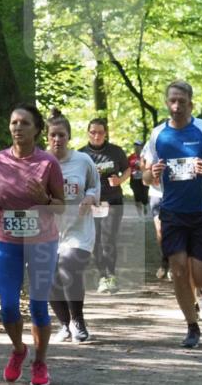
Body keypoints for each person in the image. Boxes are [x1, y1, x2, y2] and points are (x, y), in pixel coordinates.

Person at [142, 81, 202, 348]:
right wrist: (154, 173)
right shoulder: (157, 134)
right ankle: (191, 326)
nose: (176, 106)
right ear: (166, 102)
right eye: (172, 101)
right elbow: (146, 177)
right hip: (171, 211)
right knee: (179, 269)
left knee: (201, 271)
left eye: (181, 101)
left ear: (190, 104)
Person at [0, 104, 65, 385]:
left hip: (42, 241)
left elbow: (61, 207)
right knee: (7, 306)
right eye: (14, 122)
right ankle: (19, 349)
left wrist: (44, 199)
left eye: (25, 123)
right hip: (8, 241)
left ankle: (40, 363)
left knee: (39, 306)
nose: (18, 127)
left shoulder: (48, 163)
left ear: (37, 130)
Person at [46, 109, 100, 343]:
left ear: (69, 137)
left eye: (62, 135)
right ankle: (65, 325)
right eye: (53, 136)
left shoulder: (82, 160)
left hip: (79, 228)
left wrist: (90, 197)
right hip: (48, 230)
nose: (57, 140)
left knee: (69, 266)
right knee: (46, 277)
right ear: (47, 138)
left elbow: (95, 186)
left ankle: (78, 321)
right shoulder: (40, 162)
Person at [79, 118, 129, 294]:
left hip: (113, 201)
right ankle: (102, 276)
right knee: (95, 240)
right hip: (92, 203)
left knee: (109, 239)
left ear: (106, 133)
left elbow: (128, 169)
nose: (97, 135)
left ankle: (111, 276)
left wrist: (120, 180)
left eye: (100, 132)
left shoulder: (115, 151)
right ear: (88, 133)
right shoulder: (81, 155)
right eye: (93, 132)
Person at [128, 141, 149, 217]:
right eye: (135, 145)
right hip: (134, 180)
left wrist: (141, 167)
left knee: (144, 196)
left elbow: (149, 167)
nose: (137, 147)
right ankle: (140, 215)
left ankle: (145, 208)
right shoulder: (131, 157)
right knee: (137, 197)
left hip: (144, 179)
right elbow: (127, 168)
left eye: (139, 146)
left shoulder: (146, 157)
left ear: (142, 147)